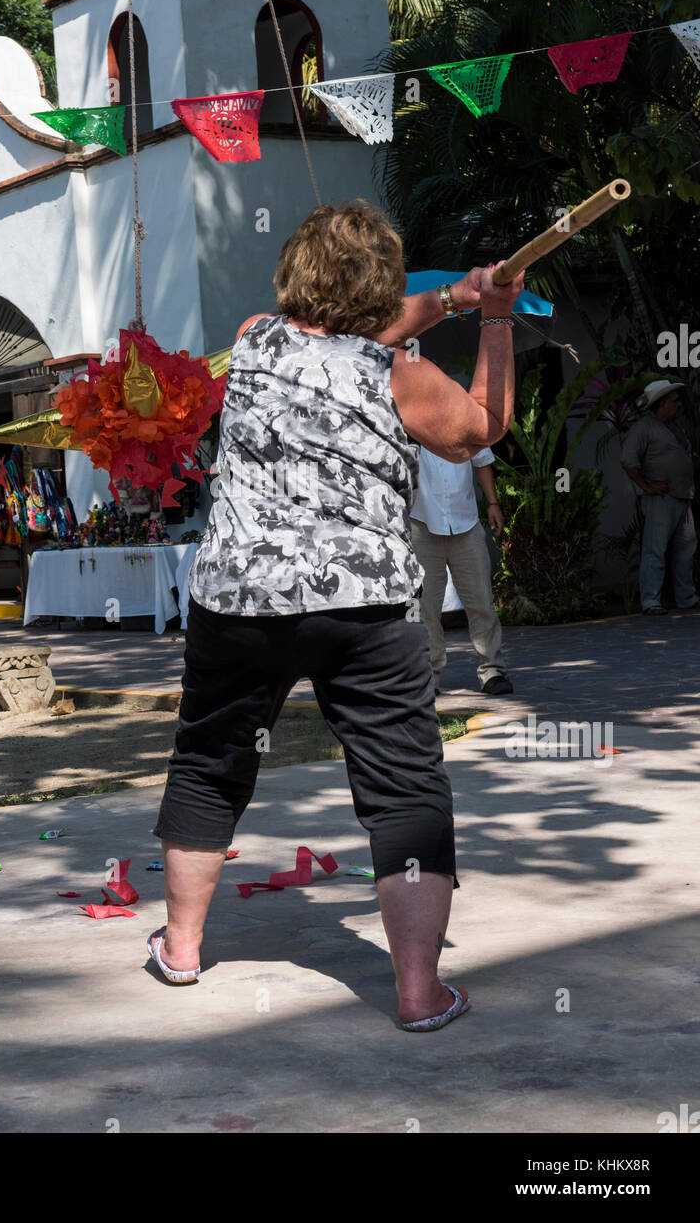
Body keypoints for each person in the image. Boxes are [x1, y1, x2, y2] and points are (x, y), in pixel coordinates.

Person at [148, 200, 524, 1032]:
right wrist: (492, 317)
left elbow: (353, 330)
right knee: (404, 787)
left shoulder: (251, 339)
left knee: (210, 762)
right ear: (382, 287)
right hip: (364, 604)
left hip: (239, 597)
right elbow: (482, 428)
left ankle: (179, 950)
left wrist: (458, 298)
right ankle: (420, 994)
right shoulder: (403, 378)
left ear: (295, 274)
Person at [411, 443, 513, 694]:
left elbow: (482, 460)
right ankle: (429, 677)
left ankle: (492, 671)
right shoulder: (409, 420)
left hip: (465, 522)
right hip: (421, 523)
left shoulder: (464, 418)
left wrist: (493, 503)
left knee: (481, 601)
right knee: (426, 608)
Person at [621, 380, 698, 615]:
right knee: (655, 551)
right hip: (661, 500)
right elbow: (627, 459)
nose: (678, 405)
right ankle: (651, 601)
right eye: (674, 401)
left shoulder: (674, 427)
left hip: (682, 497)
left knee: (685, 552)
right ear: (662, 404)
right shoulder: (644, 427)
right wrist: (646, 486)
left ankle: (686, 598)